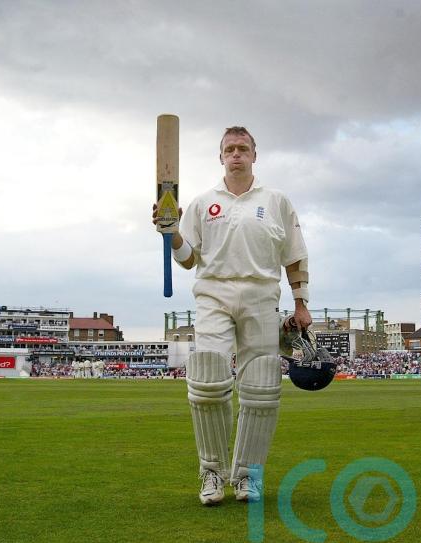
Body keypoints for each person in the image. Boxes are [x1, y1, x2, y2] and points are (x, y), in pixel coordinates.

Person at [152, 126, 311, 505]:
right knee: (207, 376)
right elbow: (189, 258)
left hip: (261, 293)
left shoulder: (277, 201)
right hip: (213, 292)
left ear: (255, 155)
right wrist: (171, 232)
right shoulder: (203, 202)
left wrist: (302, 303)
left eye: (243, 148)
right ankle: (211, 473)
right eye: (229, 149)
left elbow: (295, 256)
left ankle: (247, 476)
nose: (236, 154)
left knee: (261, 387)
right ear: (220, 157)